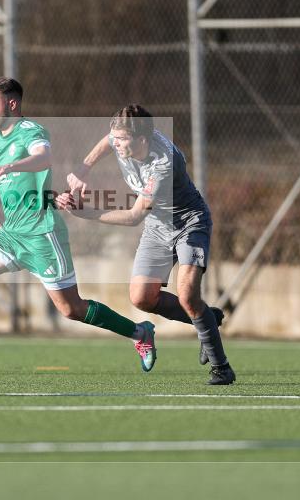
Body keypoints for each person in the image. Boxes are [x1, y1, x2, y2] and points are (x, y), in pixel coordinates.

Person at [0, 78, 157, 379]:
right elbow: (5, 176)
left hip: (42, 233)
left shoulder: (33, 132)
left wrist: (10, 167)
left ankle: (139, 332)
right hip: (11, 233)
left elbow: (43, 158)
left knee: (71, 309)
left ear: (11, 104)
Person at [58, 105, 235, 385]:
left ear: (143, 140)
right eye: (116, 138)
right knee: (142, 298)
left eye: (122, 140)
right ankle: (207, 320)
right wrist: (83, 168)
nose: (116, 144)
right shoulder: (124, 140)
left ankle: (221, 367)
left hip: (190, 221)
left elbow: (133, 216)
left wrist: (85, 212)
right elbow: (108, 140)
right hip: (158, 225)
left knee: (188, 296)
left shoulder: (162, 163)